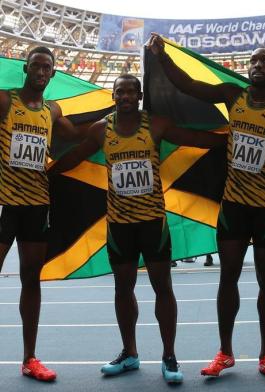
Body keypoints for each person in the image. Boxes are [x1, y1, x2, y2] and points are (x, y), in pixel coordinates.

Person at [148, 35, 265, 380]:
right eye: (254, 60)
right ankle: (225, 351)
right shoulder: (232, 95)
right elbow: (190, 85)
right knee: (228, 278)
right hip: (234, 205)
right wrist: (163, 58)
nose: (258, 65)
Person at [49, 74, 226, 384]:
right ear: (114, 96)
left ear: (140, 94)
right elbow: (75, 156)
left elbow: (194, 139)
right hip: (119, 225)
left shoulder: (155, 124)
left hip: (152, 223)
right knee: (122, 289)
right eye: (121, 91)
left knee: (163, 288)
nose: (127, 96)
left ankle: (169, 355)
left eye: (132, 91)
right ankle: (129, 353)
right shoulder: (102, 129)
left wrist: (229, 138)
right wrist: (46, 172)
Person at [0, 46, 79, 381]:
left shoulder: (52, 109)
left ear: (53, 73)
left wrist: (115, 125)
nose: (41, 72)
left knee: (31, 279)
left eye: (47, 67)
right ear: (26, 68)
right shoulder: (6, 101)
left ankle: (29, 358)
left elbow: (78, 139)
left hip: (36, 205)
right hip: (4, 203)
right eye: (36, 66)